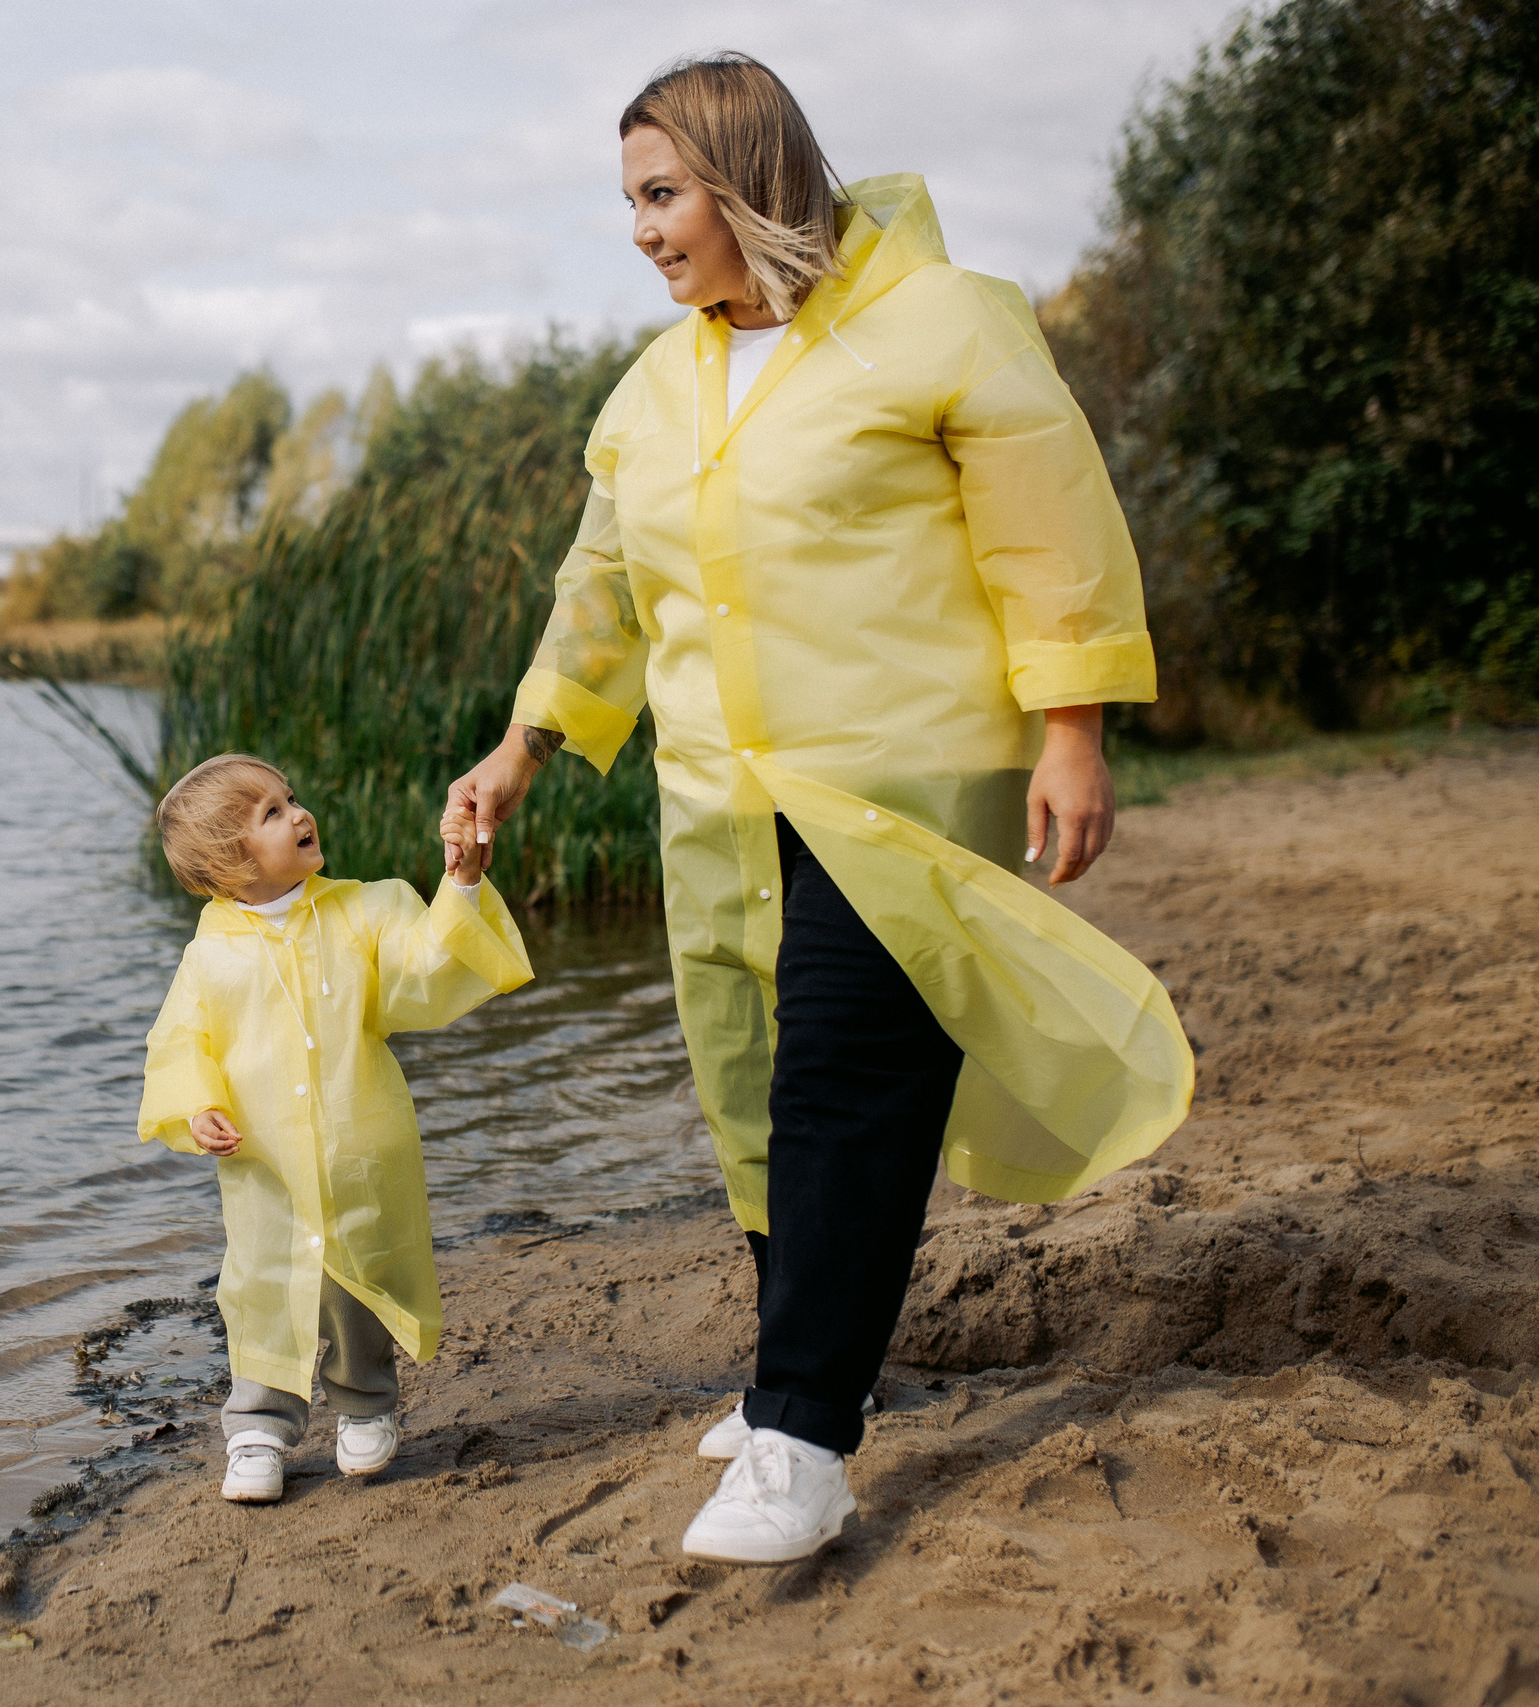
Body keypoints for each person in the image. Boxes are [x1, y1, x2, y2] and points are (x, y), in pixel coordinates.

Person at [447, 54, 1193, 1564]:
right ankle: (807, 1358)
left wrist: (1072, 726)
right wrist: (521, 747)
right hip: (719, 789)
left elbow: (1049, 526)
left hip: (898, 777)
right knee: (751, 1074)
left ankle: (803, 1430)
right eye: (632, 202)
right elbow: (601, 586)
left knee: (847, 1073)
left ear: (746, 177)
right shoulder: (658, 383)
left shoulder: (938, 322)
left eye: (663, 194)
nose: (644, 230)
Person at [139, 755, 531, 1504]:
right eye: (271, 814)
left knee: (361, 1286)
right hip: (268, 1168)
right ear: (229, 861)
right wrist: (197, 1107)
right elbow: (180, 1043)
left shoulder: (365, 910)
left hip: (360, 1154)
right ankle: (258, 1426)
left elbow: (423, 971)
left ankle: (365, 1404)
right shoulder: (211, 956)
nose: (299, 813)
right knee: (261, 1287)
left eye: (291, 798)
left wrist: (462, 883)